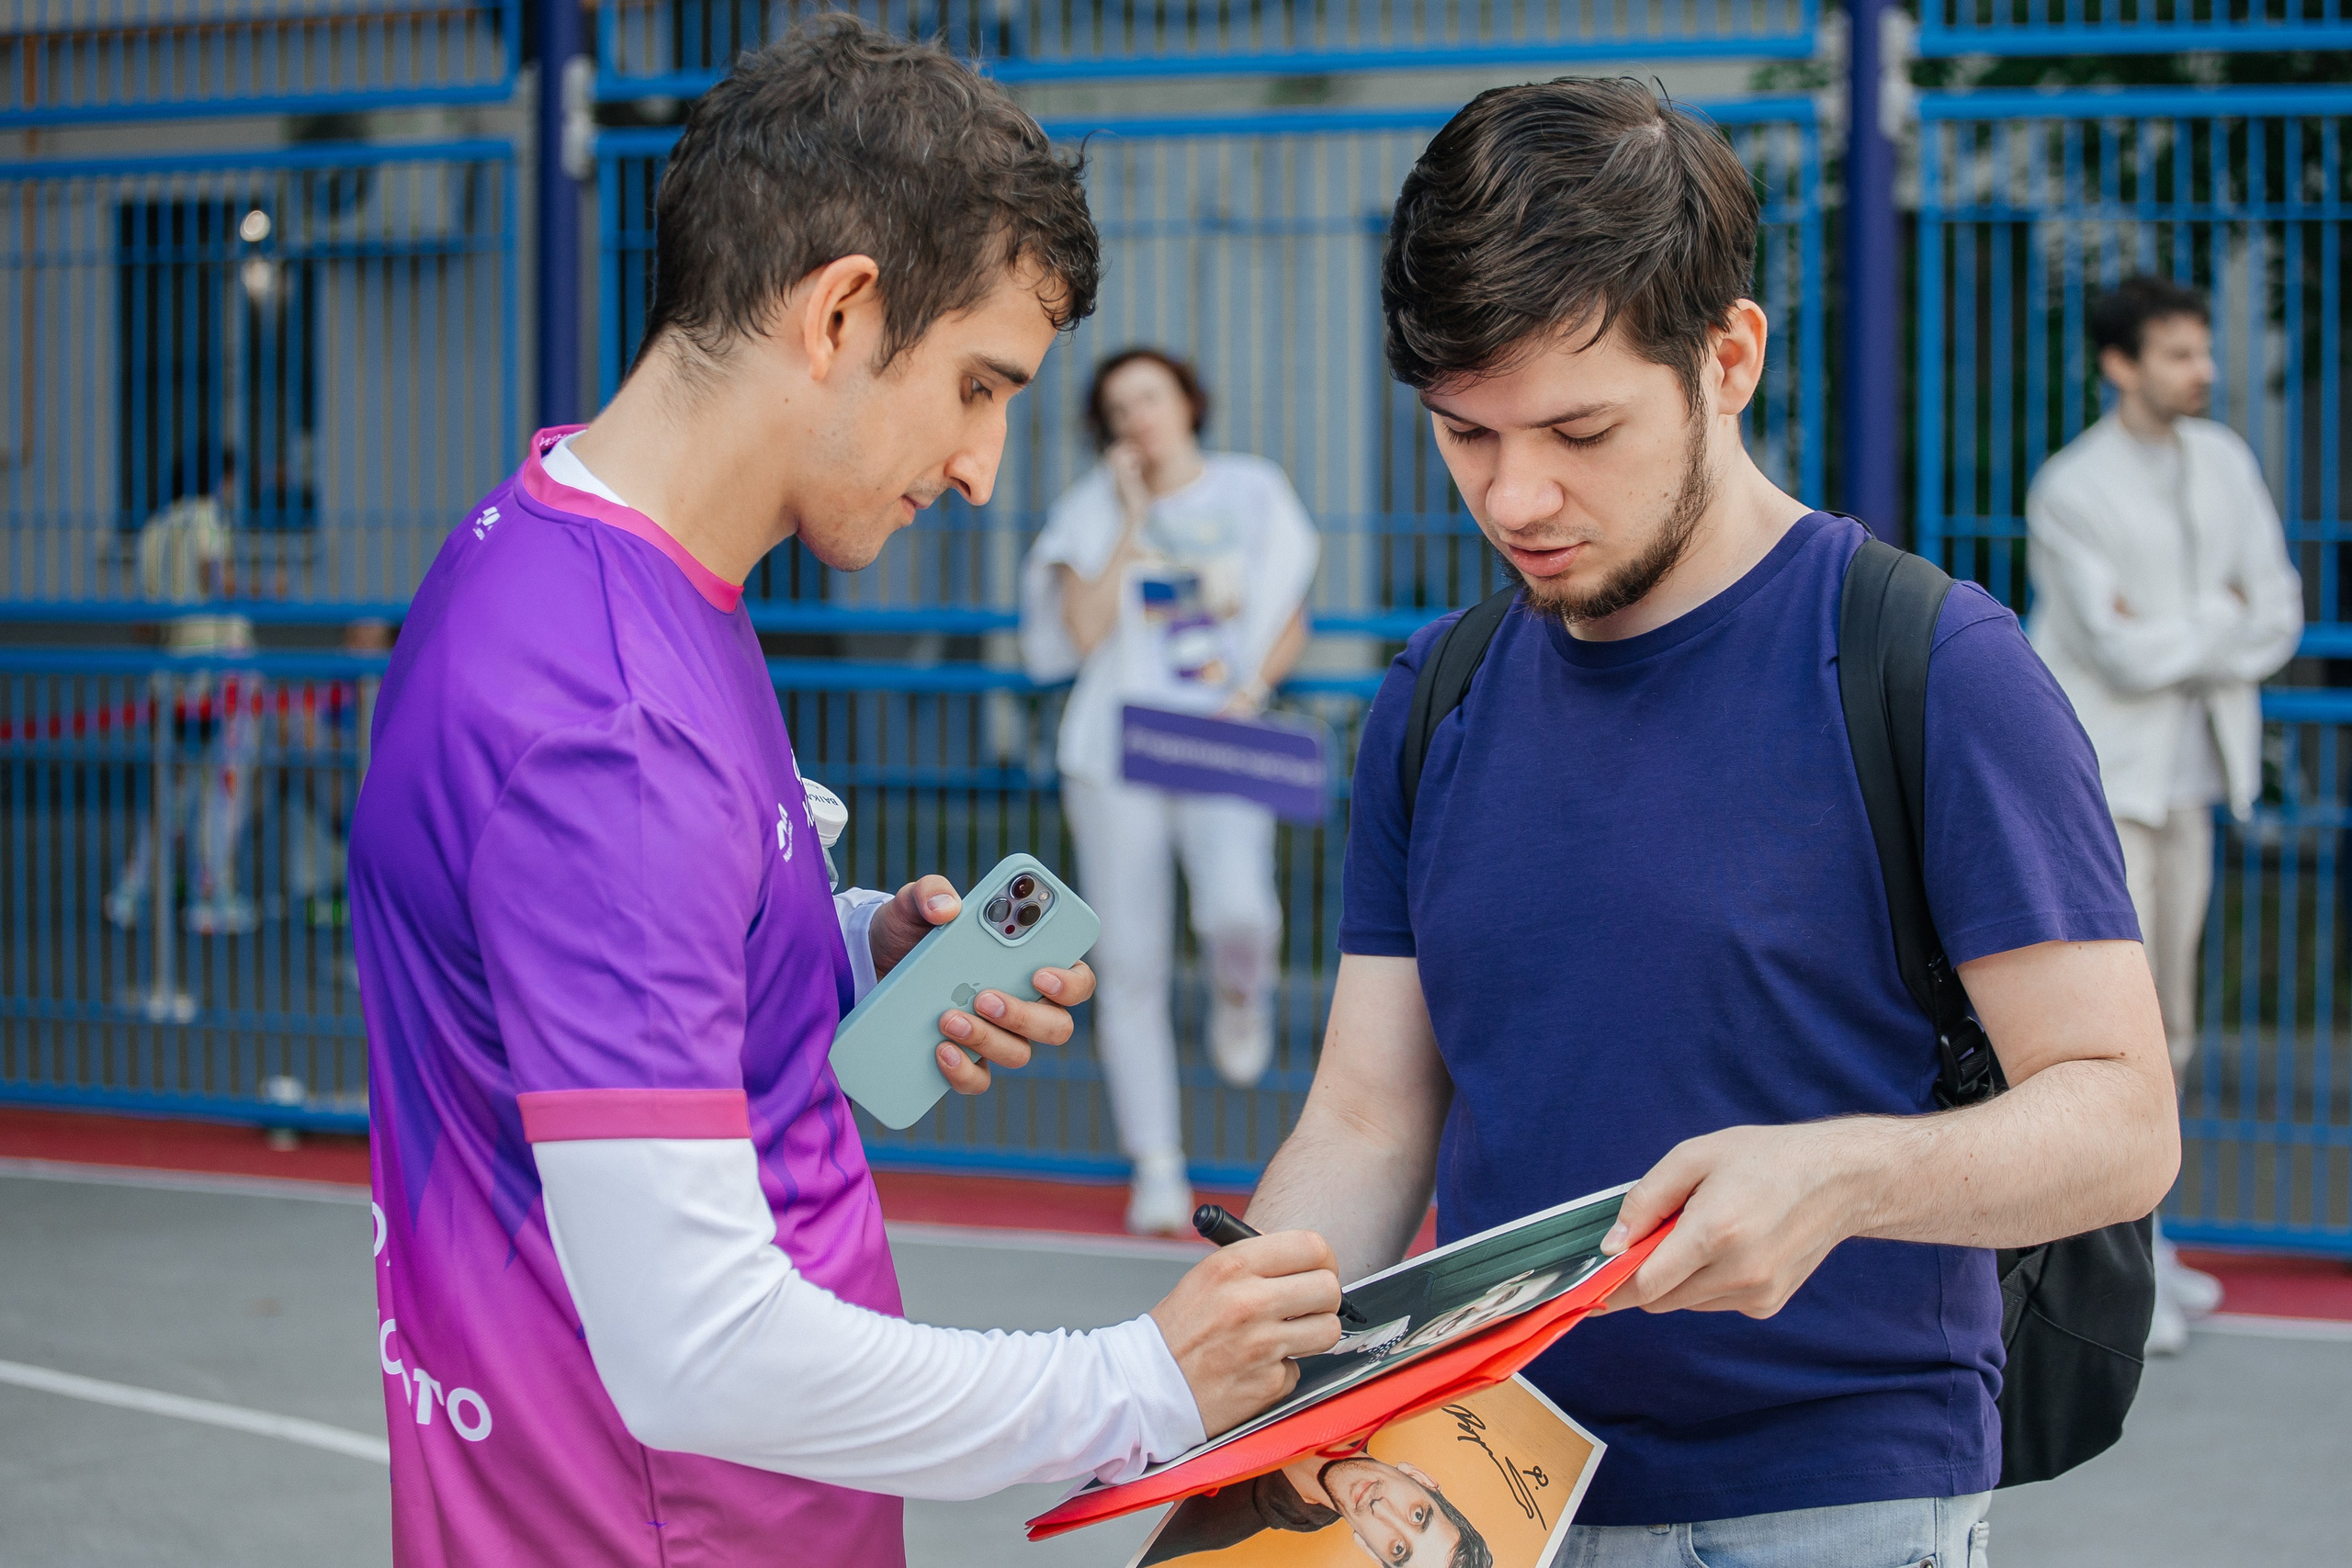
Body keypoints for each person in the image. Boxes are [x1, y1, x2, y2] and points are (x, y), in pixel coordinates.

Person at [348, 23, 1340, 1567]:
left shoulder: (562, 547)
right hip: (668, 1528)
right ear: (840, 312)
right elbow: (699, 1347)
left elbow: (592, 940)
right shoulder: (614, 716)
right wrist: (1141, 1382)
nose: (983, 466)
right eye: (978, 386)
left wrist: (846, 944)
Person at [1238, 78, 2180, 1567]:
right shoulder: (1436, 695)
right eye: (1465, 434)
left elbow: (2124, 1120)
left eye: (1579, 427)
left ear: (1728, 357)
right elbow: (1368, 1115)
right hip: (1483, 1491)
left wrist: (1842, 1175)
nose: (1516, 495)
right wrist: (1244, 1347)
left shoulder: (1930, 664)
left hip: (1831, 1500)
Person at [2024, 275, 2303, 1354]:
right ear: (2120, 365)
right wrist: (2215, 620)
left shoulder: (2223, 462)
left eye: (2202, 350)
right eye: (2180, 354)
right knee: (2106, 1036)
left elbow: (2276, 611)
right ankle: (2100, 1276)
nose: (2204, 371)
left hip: (2191, 781)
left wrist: (2181, 623)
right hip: (2104, 790)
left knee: (2171, 1026)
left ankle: (2147, 1241)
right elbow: (2117, 652)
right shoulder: (2071, 487)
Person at [1020, 347, 1318, 1234]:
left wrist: (1249, 691)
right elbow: (1080, 633)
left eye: (1149, 397)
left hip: (1217, 738)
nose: (1138, 418)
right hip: (1116, 749)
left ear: (1188, 401)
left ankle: (1241, 993)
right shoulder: (1090, 508)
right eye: (1119, 410)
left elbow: (1290, 615)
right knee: (1131, 962)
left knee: (1241, 910)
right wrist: (1131, 515)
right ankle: (1156, 1163)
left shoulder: (1253, 491)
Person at [106, 446, 262, 936]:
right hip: (222, 666)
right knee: (227, 781)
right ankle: (210, 894)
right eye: (232, 481)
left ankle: (132, 890)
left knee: (174, 788)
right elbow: (217, 580)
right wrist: (268, 590)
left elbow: (144, 622)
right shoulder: (206, 517)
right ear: (220, 480)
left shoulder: (153, 529)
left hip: (173, 671)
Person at [1140, 1440, 1493, 1567]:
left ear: (1372, 1552)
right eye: (1418, 1515)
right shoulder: (1364, 1376)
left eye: (1398, 1549)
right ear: (1421, 1479)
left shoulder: (1211, 1526)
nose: (1381, 1509)